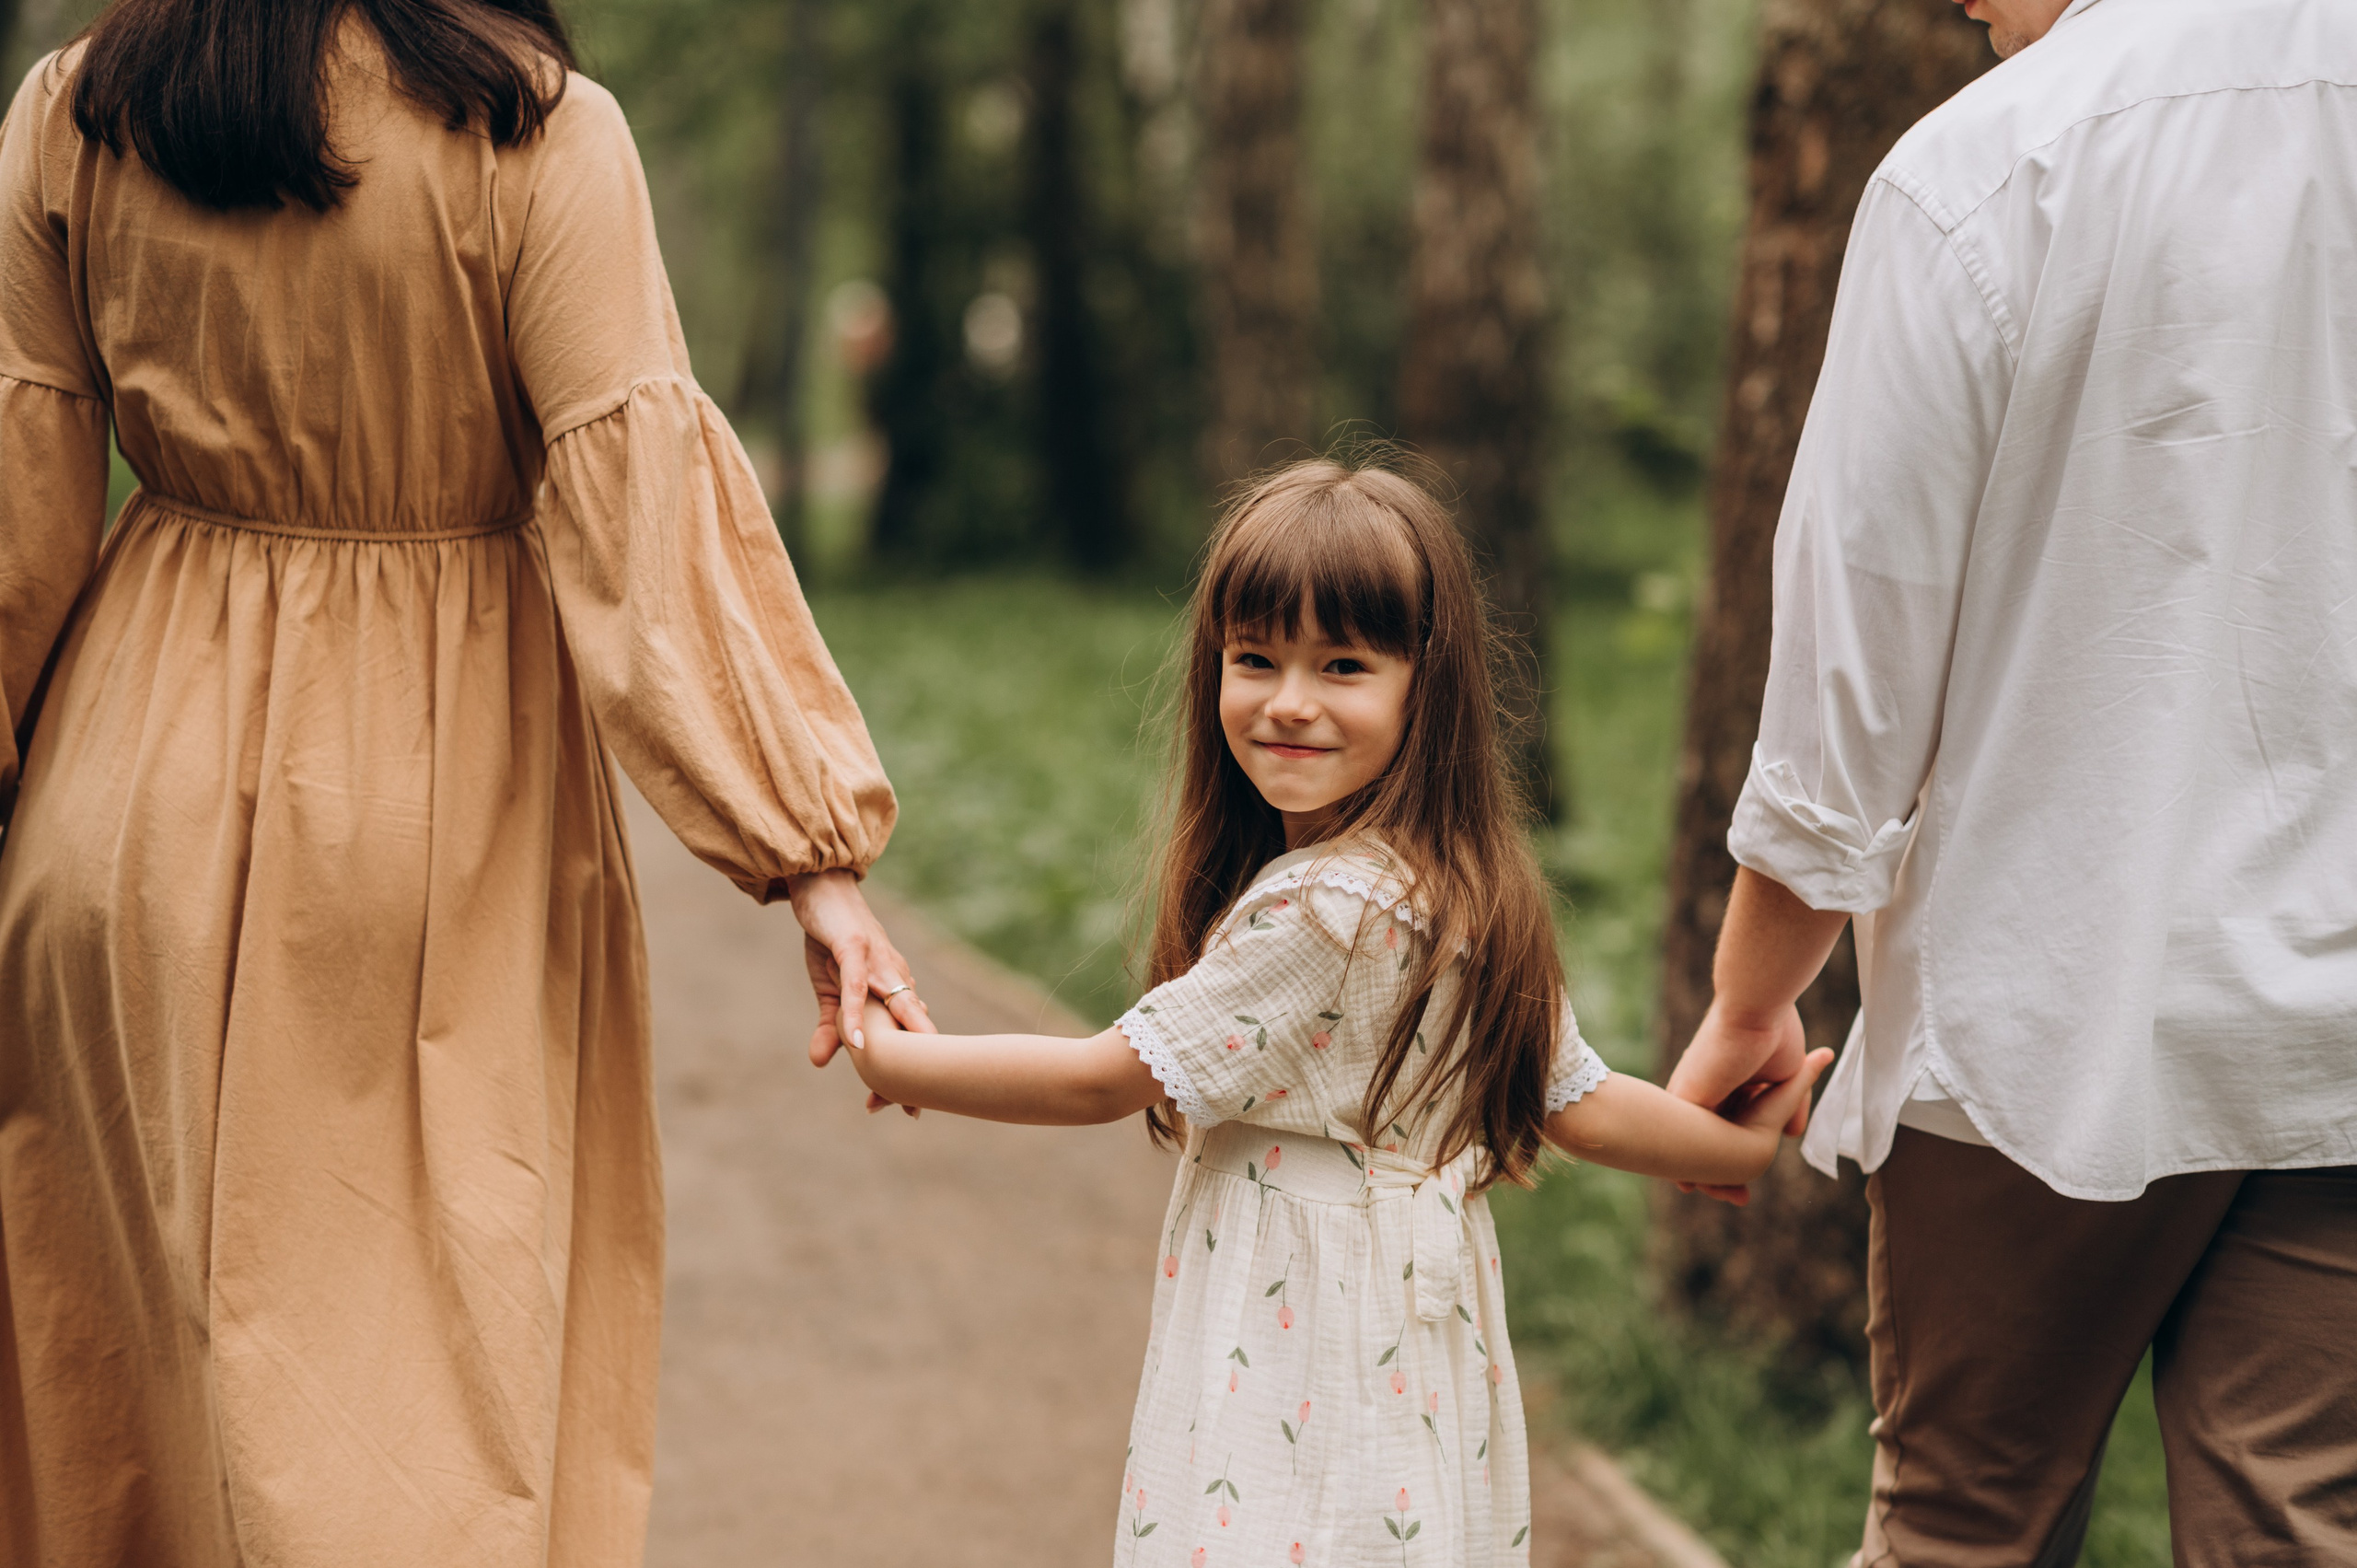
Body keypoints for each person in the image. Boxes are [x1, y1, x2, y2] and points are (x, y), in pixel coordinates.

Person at [0, 2, 929, 1562]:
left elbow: (23, 511)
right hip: (433, 811)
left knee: (136, 1391)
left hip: (123, 803)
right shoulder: (534, 128)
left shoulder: (80, 110)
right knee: (417, 1397)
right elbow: (634, 511)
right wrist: (806, 851)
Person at [825, 459, 1830, 1565]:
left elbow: (1101, 1078)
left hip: (1307, 1341)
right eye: (1255, 658)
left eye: (1343, 663)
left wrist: (893, 1054)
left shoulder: (1329, 908)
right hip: (1408, 1350)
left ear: (1424, 684)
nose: (1289, 699)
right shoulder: (1459, 887)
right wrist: (1733, 1139)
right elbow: (1577, 1103)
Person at [1667, 0, 2357, 1561]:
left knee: (1965, 1523)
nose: (1959, 5)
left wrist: (1756, 993)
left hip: (2050, 1002)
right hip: (2338, 1027)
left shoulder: (1988, 166)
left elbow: (1855, 655)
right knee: (2299, 1531)